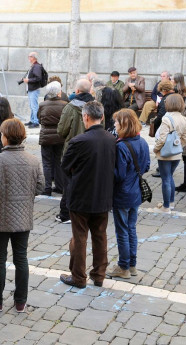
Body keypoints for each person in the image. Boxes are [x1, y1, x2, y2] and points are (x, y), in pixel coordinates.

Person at [0, 118, 44, 313]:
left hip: (0, 217)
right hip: (23, 216)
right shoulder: (32, 160)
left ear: (5, 137)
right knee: (21, 258)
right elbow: (40, 186)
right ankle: (21, 301)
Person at [59, 101, 116, 288]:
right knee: (100, 236)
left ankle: (78, 277)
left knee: (80, 237)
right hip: (103, 195)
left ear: (86, 117)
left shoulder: (79, 141)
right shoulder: (111, 139)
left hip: (81, 196)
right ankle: (99, 275)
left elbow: (65, 167)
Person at [106, 109, 150, 279]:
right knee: (131, 229)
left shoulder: (121, 146)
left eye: (116, 122)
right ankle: (132, 265)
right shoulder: (143, 142)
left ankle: (123, 267)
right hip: (135, 192)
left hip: (123, 195)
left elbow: (119, 175)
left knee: (122, 231)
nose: (114, 125)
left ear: (123, 124)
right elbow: (145, 167)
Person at [56, 79, 94, 224]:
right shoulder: (96, 107)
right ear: (89, 91)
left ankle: (66, 213)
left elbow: (61, 130)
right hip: (91, 150)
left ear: (77, 91)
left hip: (72, 150)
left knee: (69, 182)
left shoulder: (70, 108)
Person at [153, 94, 186, 213]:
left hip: (165, 153)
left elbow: (162, 139)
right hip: (176, 154)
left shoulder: (166, 118)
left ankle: (166, 206)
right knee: (170, 177)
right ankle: (171, 203)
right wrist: (177, 146)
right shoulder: (183, 118)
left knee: (166, 179)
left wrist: (156, 149)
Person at [38, 81, 67, 196]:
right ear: (59, 92)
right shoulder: (65, 105)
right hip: (60, 136)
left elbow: (39, 118)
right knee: (59, 161)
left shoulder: (42, 105)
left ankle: (47, 187)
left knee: (47, 163)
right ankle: (60, 186)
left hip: (46, 136)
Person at [22, 52, 44, 128]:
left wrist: (28, 80)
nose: (28, 58)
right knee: (32, 105)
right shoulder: (34, 66)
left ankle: (36, 122)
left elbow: (38, 78)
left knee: (34, 106)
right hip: (31, 89)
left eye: (30, 56)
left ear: (33, 57)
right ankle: (32, 120)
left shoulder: (36, 66)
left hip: (34, 89)